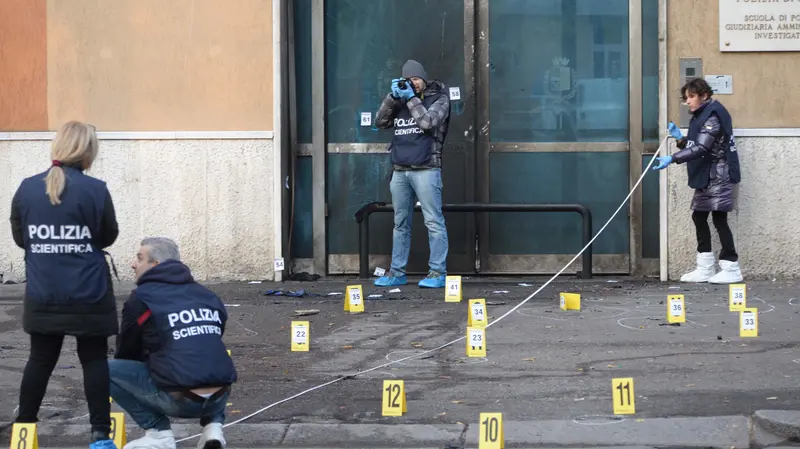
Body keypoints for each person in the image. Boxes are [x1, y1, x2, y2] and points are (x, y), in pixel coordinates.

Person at [9, 121, 120, 449]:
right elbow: (108, 235)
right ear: (87, 152)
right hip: (89, 293)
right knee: (94, 360)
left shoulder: (27, 188)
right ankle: (100, 435)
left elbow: (21, 238)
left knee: (40, 360)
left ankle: (24, 429)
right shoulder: (96, 190)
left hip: (44, 292)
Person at [111, 237, 237, 449]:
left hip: (181, 400)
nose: (133, 264)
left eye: (139, 258)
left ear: (156, 265)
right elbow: (211, 338)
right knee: (205, 355)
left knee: (100, 370)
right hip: (220, 397)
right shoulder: (207, 295)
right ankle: (213, 429)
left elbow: (127, 350)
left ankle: (158, 433)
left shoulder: (142, 297)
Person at [653, 78, 743, 284]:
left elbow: (702, 148)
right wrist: (680, 138)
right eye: (686, 98)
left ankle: (731, 267)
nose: (688, 102)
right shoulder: (702, 115)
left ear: (704, 95)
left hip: (719, 175)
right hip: (709, 176)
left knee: (719, 219)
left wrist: (672, 158)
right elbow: (697, 145)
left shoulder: (712, 116)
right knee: (699, 217)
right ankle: (705, 268)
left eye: (692, 97)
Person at [373, 59, 452, 288]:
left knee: (433, 221)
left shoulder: (440, 99)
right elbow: (380, 122)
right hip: (400, 170)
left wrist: (411, 98)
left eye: (416, 79)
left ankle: (437, 273)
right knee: (400, 224)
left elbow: (428, 122)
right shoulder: (399, 101)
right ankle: (397, 272)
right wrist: (392, 97)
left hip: (427, 168)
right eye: (407, 79)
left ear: (424, 79)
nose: (412, 83)